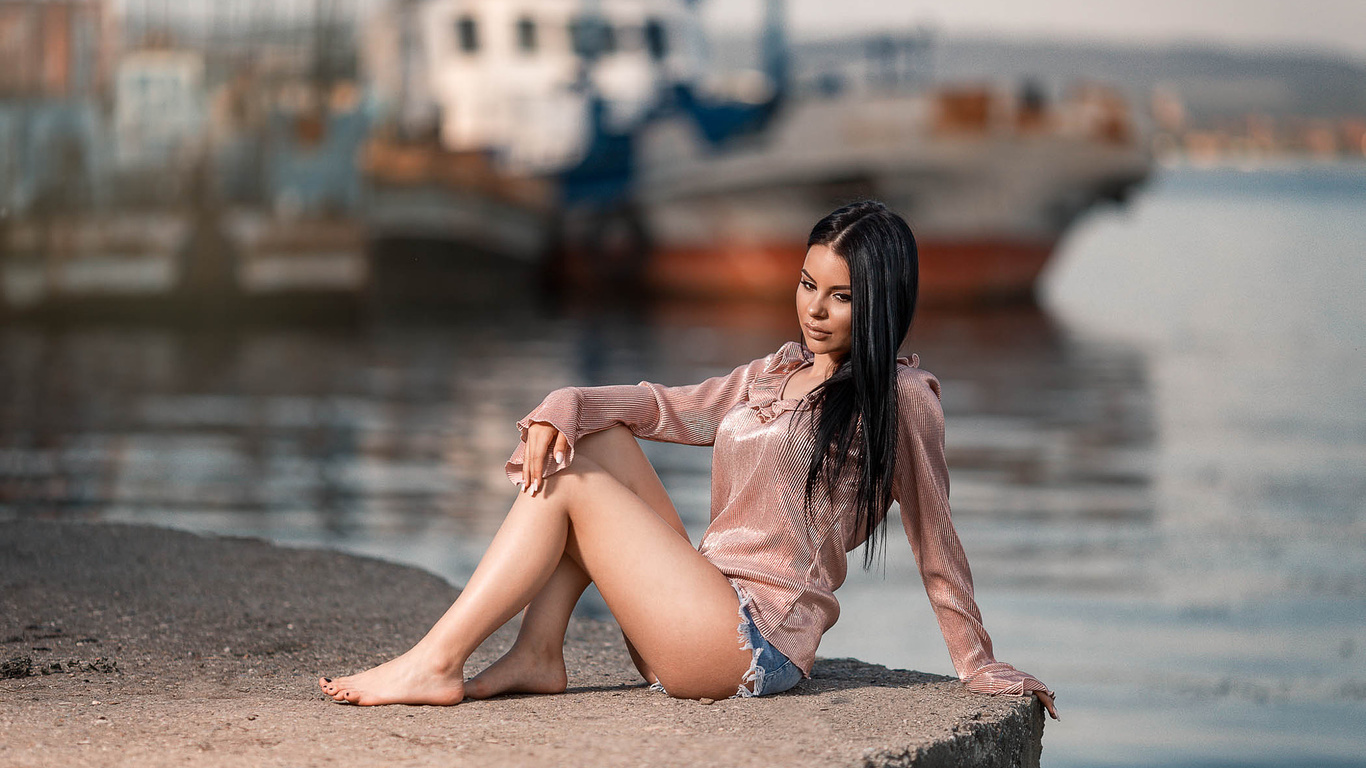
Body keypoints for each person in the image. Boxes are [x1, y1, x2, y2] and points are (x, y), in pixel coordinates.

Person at [319, 200, 1059, 720]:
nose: (815, 309)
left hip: (751, 645)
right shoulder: (774, 370)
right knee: (599, 436)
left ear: (883, 302)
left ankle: (437, 661)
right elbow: (660, 407)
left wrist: (978, 660)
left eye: (842, 297)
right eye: (807, 285)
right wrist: (561, 402)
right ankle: (538, 654)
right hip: (695, 608)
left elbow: (937, 539)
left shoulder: (902, 398)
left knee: (577, 485)